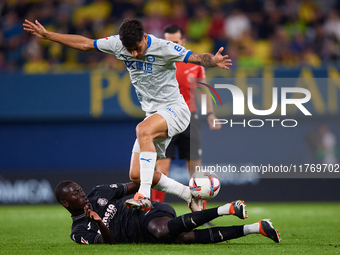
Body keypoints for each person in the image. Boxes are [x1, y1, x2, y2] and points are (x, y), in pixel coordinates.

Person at [23, 18, 232, 211]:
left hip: (175, 110)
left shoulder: (164, 47)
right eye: (128, 50)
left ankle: (144, 195)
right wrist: (49, 35)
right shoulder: (117, 44)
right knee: (137, 174)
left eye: (137, 49)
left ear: (144, 37)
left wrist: (213, 60)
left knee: (143, 129)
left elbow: (195, 57)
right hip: (153, 114)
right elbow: (86, 44)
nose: (133, 54)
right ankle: (188, 195)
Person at [54, 180, 281, 244]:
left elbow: (138, 184)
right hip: (141, 238)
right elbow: (110, 245)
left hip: (147, 214)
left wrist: (146, 184)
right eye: (74, 193)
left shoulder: (98, 193)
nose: (80, 192)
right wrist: (100, 222)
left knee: (162, 230)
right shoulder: (79, 231)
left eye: (79, 188)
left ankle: (226, 208)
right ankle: (255, 228)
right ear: (66, 203)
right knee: (185, 238)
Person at [153, 25, 221, 208]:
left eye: (174, 42)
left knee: (195, 170)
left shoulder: (194, 62)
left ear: (183, 42)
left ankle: (200, 213)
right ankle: (154, 211)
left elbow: (204, 90)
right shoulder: (158, 61)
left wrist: (211, 114)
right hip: (166, 117)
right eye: (167, 42)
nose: (170, 45)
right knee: (162, 168)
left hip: (190, 118)